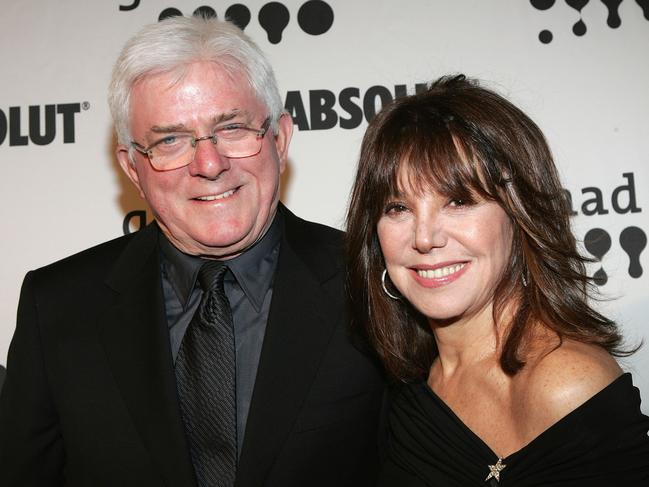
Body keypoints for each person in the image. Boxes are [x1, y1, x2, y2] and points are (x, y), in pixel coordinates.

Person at [0, 16, 385, 487]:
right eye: (170, 140)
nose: (209, 164)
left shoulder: (371, 284)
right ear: (132, 168)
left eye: (233, 128)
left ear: (280, 140)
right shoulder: (57, 306)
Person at [346, 74, 649, 486]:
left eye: (458, 201)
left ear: (519, 215)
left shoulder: (566, 385)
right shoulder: (405, 386)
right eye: (398, 207)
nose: (423, 238)